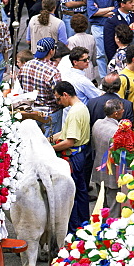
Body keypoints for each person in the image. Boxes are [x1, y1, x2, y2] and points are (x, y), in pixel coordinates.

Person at [51, 81, 91, 232]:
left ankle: (73, 229)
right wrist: (48, 140)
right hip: (81, 154)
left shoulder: (74, 113)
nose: (58, 102)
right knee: (81, 193)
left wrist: (52, 148)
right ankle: (84, 225)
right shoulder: (81, 107)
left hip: (73, 157)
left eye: (58, 98)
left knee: (71, 196)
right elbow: (65, 133)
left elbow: (69, 141)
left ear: (65, 95)